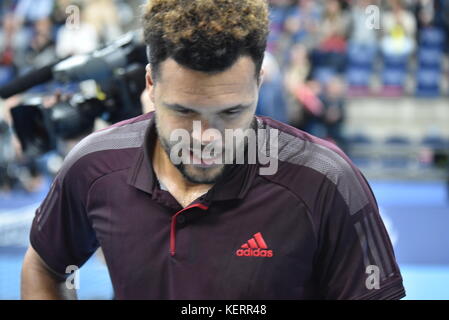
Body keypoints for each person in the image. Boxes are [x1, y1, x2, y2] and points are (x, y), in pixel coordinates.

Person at [21, 0, 405, 300]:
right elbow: (45, 267)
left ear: (259, 82)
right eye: (183, 111)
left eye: (231, 112)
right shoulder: (94, 166)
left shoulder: (327, 180)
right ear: (151, 84)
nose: (205, 136)